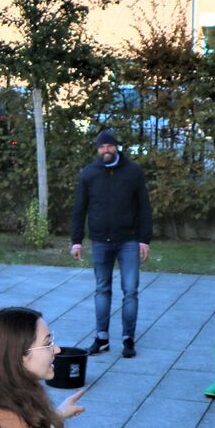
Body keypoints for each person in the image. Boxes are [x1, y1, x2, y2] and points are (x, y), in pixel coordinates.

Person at [69, 129, 152, 358]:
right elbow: (79, 209)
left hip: (128, 241)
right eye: (101, 147)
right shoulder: (89, 173)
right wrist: (76, 241)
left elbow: (144, 207)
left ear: (116, 146)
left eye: (109, 146)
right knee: (102, 290)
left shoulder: (133, 172)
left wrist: (144, 239)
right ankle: (102, 338)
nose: (105, 150)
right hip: (100, 242)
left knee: (130, 291)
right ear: (98, 149)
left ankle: (128, 339)